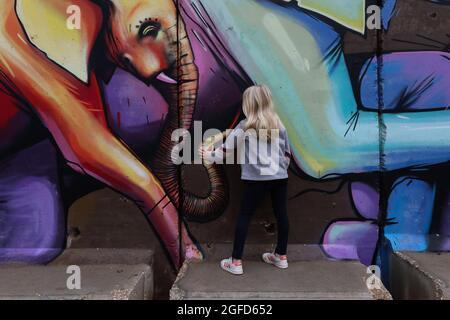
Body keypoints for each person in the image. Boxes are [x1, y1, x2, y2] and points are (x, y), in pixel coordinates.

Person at [200, 85, 291, 275]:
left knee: (245, 216)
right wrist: (281, 169)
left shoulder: (245, 126)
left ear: (248, 104)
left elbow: (225, 151)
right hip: (280, 177)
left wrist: (207, 154)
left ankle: (236, 262)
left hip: (255, 180)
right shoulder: (278, 124)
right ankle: (281, 256)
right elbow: (287, 153)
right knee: (281, 214)